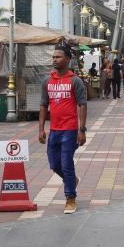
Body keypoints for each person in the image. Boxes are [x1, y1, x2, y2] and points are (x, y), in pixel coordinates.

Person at [38, 44, 87, 214]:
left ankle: (70, 198)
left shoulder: (75, 81)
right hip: (54, 130)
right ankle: (72, 180)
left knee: (66, 163)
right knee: (54, 164)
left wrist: (82, 130)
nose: (54, 60)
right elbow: (44, 105)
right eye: (53, 57)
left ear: (67, 59)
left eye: (58, 57)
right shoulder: (47, 81)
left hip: (70, 130)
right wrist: (41, 129)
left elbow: (82, 105)